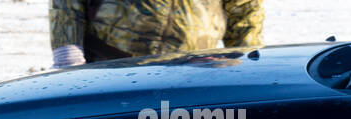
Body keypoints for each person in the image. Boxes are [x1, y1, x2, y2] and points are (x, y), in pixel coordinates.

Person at [49, 0, 264, 68]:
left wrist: (246, 59)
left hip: (195, 66)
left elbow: (245, 8)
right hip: (112, 65)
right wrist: (67, 52)